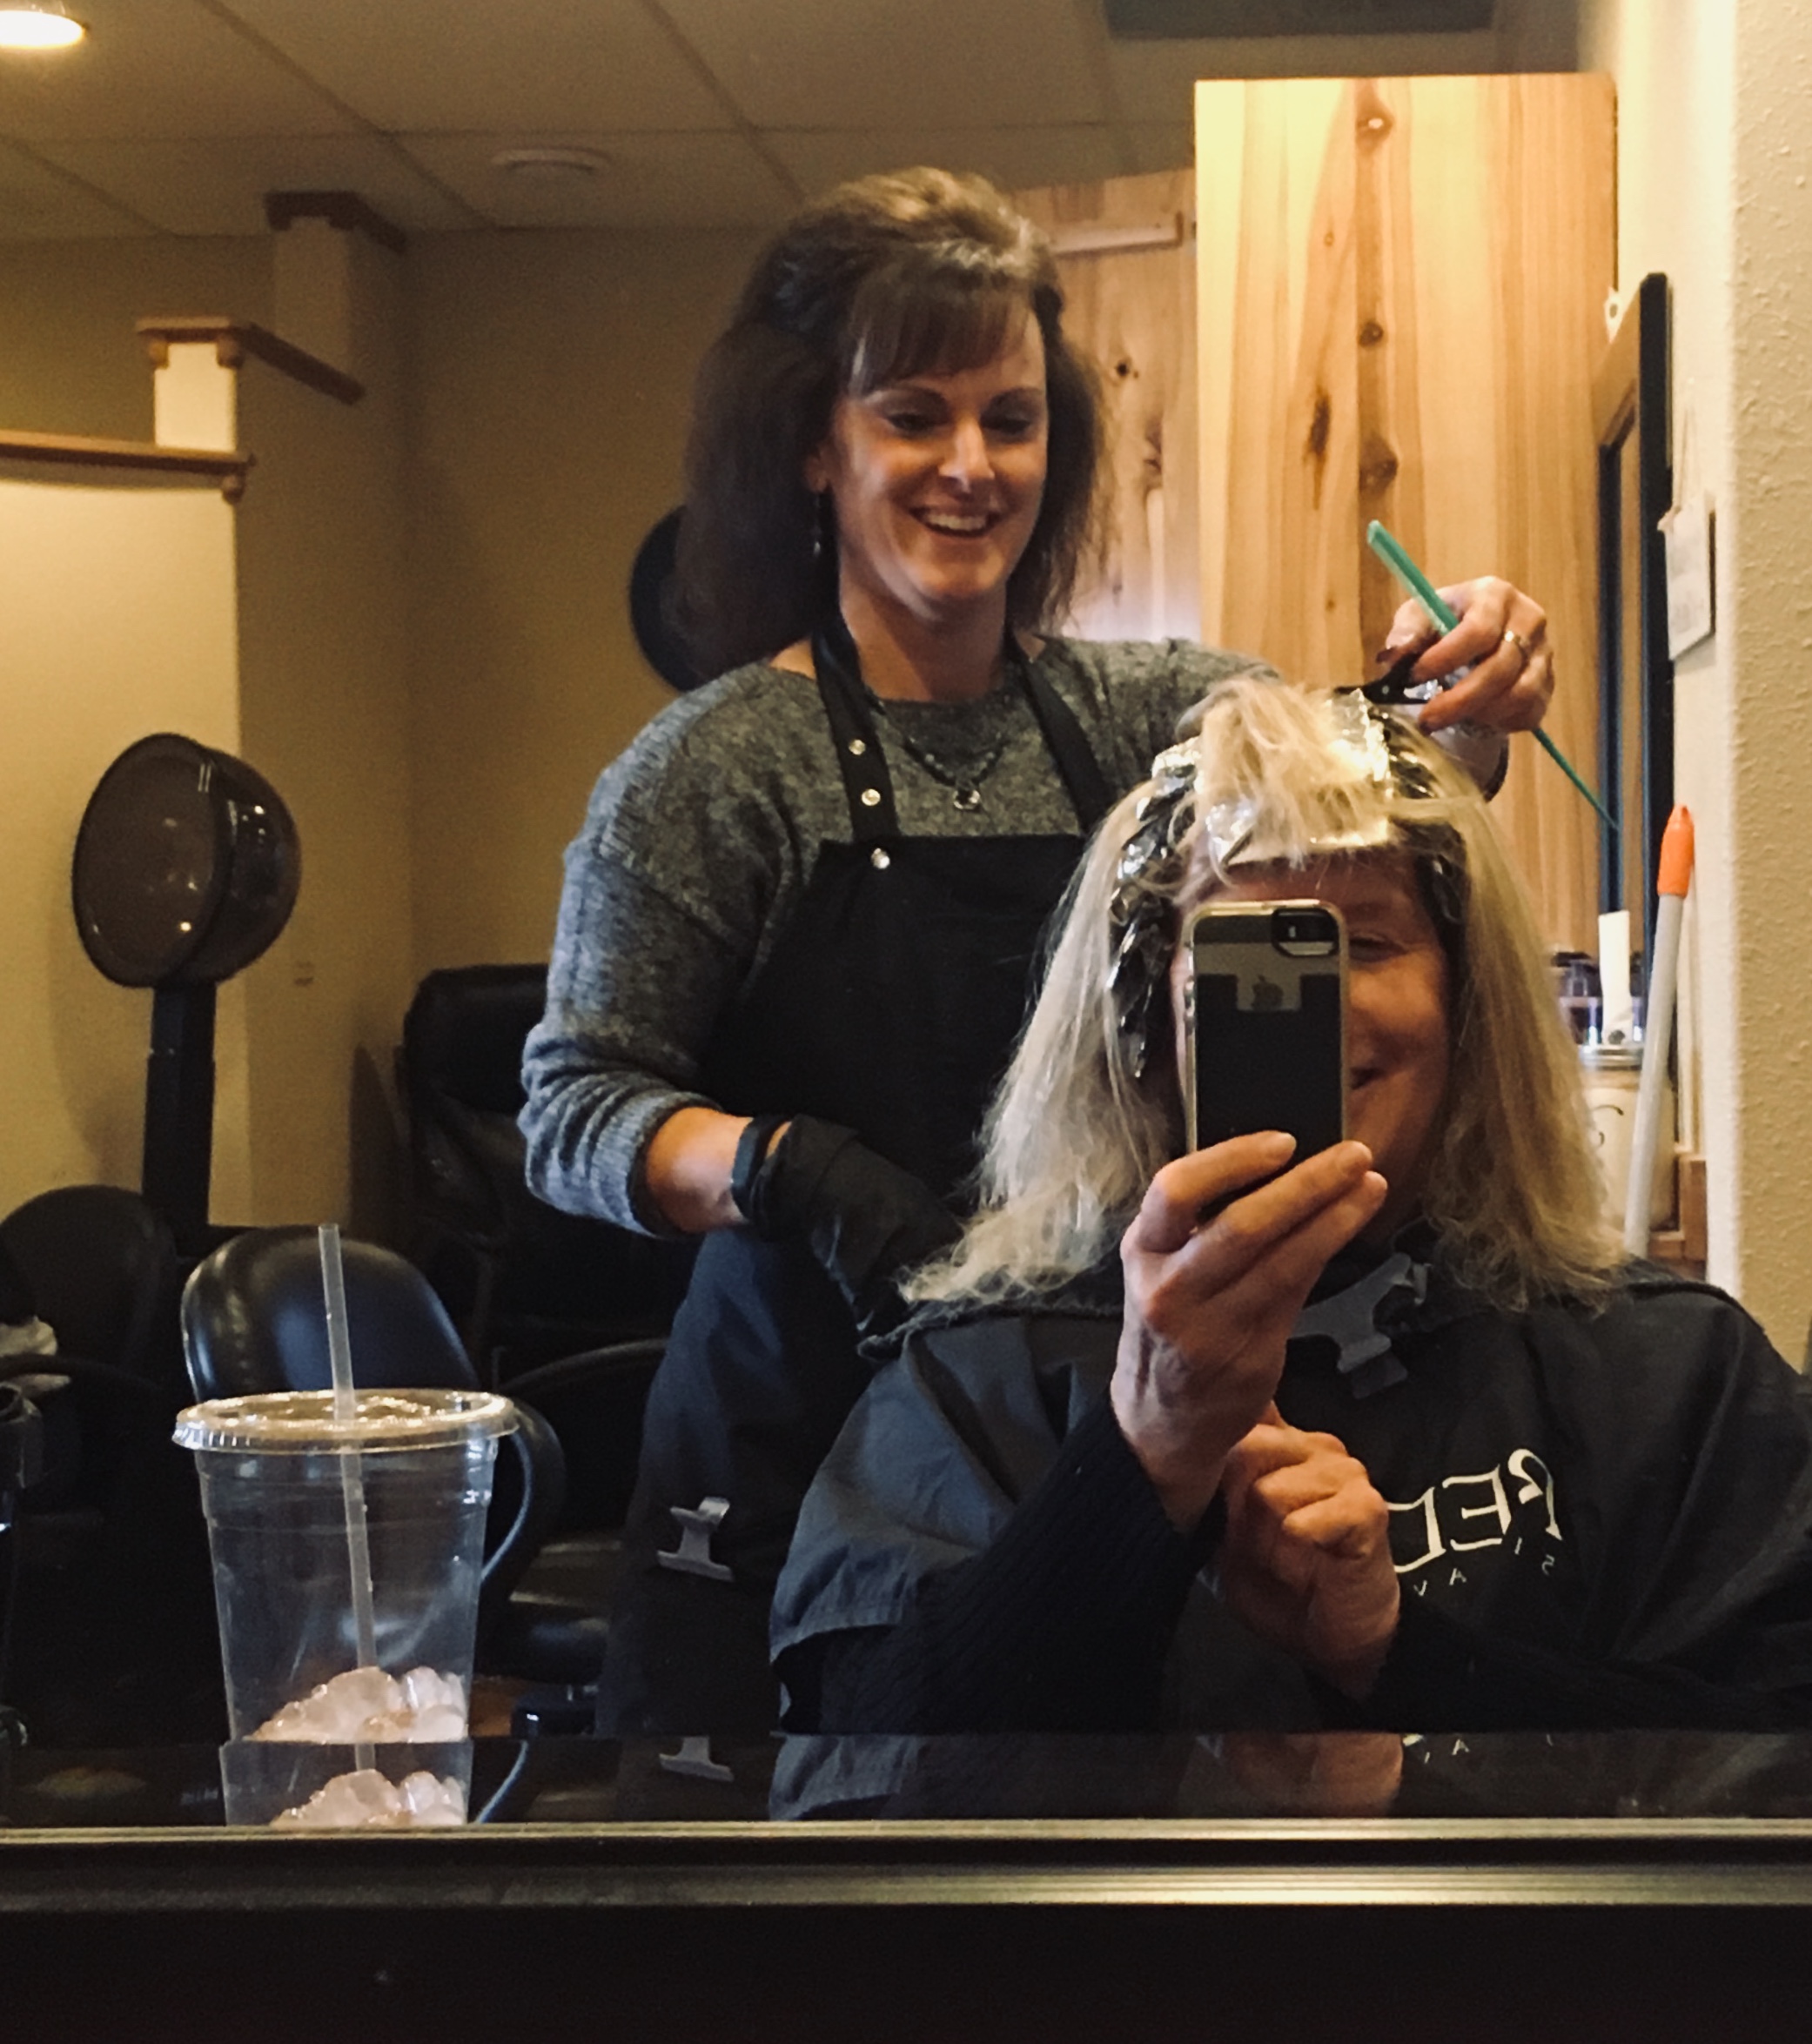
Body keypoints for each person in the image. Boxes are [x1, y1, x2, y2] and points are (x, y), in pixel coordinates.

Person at [520, 166, 1558, 1734]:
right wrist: (790, 1171)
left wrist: (1468, 696)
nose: (969, 466)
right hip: (787, 1423)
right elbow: (571, 1107)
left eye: (1009, 420)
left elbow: (1362, 798)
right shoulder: (715, 771)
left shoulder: (1157, 715)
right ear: (813, 445)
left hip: (1065, 1429)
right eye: (912, 416)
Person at [773, 677, 1812, 1737]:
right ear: (1143, 1019)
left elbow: (1767, 1765)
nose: (1319, 1010)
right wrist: (1143, 1456)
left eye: (1369, 943)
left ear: (1468, 1002)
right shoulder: (977, 1381)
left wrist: (1392, 1653)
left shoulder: (1670, 1375)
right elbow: (856, 1767)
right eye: (1245, 947)